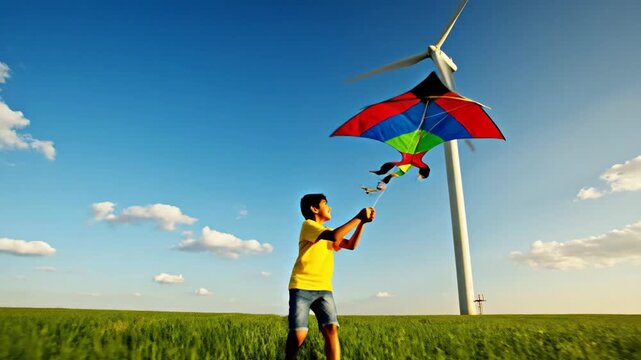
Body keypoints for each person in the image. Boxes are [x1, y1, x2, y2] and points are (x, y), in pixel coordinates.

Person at [285, 193, 375, 360]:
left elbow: (351, 245)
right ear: (314, 209)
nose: (330, 207)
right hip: (302, 286)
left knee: (331, 328)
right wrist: (358, 216)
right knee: (299, 333)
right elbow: (335, 236)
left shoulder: (330, 231)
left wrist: (362, 222)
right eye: (326, 204)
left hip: (324, 288)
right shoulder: (309, 225)